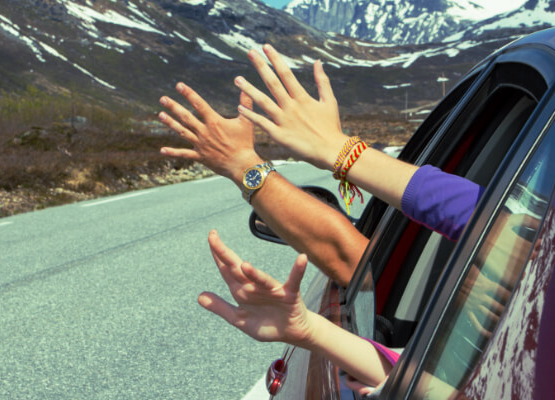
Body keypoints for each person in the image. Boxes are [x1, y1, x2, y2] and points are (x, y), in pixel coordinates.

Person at [157, 44, 481, 287]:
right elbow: (471, 212)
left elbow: (352, 258)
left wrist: (243, 164)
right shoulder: (522, 261)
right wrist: (336, 151)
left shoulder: (511, 256)